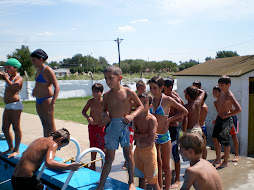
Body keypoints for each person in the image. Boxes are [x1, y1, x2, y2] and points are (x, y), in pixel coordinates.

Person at [96, 66, 144, 190]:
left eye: (111, 78)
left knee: (128, 155)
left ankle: (131, 182)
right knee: (109, 158)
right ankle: (101, 184)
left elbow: (140, 106)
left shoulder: (129, 92)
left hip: (125, 126)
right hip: (111, 127)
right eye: (106, 78)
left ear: (120, 78)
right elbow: (104, 110)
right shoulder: (106, 95)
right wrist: (104, 115)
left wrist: (132, 115)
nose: (108, 81)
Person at [148, 76, 188, 190]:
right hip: (154, 136)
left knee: (166, 165)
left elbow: (184, 111)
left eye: (155, 88)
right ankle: (159, 187)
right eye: (151, 88)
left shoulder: (167, 100)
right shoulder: (151, 99)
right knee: (157, 165)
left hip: (164, 136)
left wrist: (170, 119)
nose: (152, 90)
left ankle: (167, 188)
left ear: (162, 88)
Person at [11, 128, 81, 190]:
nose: (59, 149)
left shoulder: (40, 139)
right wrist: (69, 166)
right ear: (60, 139)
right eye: (61, 146)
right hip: (25, 180)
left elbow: (24, 154)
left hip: (15, 178)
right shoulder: (53, 144)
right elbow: (49, 163)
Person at [212, 80, 241, 168]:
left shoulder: (230, 96)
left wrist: (228, 115)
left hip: (227, 119)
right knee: (215, 137)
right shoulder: (221, 95)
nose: (220, 87)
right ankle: (218, 158)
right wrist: (217, 118)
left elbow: (238, 109)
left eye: (222, 85)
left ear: (228, 85)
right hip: (220, 119)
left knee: (226, 140)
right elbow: (221, 108)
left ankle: (226, 161)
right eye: (219, 85)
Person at [133, 93, 160, 190]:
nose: (141, 104)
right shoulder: (136, 118)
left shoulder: (151, 119)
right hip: (138, 150)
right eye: (139, 102)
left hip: (149, 152)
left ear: (150, 106)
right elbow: (133, 137)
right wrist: (145, 135)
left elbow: (151, 140)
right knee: (141, 178)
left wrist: (139, 137)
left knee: (153, 181)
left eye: (144, 102)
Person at [31, 49, 60, 137]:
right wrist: (34, 89)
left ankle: (54, 145)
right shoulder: (38, 70)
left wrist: (53, 103)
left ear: (40, 60)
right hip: (38, 99)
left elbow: (57, 87)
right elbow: (39, 83)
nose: (33, 63)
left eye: (34, 60)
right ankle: (46, 143)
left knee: (50, 124)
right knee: (44, 124)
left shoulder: (48, 70)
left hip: (46, 100)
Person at [0, 58, 23, 158]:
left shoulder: (19, 78)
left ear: (15, 68)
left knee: (16, 128)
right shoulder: (8, 77)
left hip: (15, 106)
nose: (7, 69)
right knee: (4, 128)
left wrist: (5, 78)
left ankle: (16, 150)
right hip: (8, 106)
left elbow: (13, 87)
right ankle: (10, 147)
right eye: (6, 67)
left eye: (9, 67)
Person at [163, 77, 183, 189]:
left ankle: (178, 179)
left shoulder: (175, 100)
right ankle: (167, 174)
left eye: (163, 88)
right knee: (163, 154)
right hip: (163, 130)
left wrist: (170, 119)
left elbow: (182, 116)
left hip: (173, 130)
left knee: (175, 154)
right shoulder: (164, 97)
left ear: (169, 88)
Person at [82, 83, 105, 171]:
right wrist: (88, 117)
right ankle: (93, 164)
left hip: (101, 127)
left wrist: (104, 122)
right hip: (92, 127)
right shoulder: (90, 101)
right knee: (92, 146)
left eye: (97, 92)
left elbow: (109, 113)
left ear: (101, 92)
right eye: (93, 91)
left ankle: (104, 164)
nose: (95, 94)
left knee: (102, 146)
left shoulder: (104, 102)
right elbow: (84, 111)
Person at [199, 92, 208, 159]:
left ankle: (204, 160)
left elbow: (197, 119)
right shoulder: (200, 106)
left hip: (201, 128)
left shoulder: (203, 107)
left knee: (203, 146)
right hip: (199, 128)